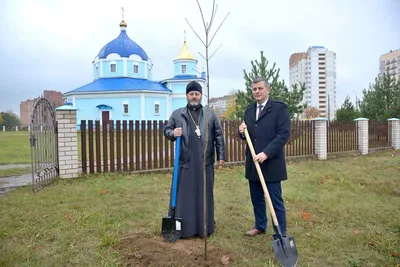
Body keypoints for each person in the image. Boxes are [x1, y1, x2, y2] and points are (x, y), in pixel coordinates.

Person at [163, 80, 225, 238]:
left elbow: (218, 135)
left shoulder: (210, 114)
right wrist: (172, 133)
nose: (194, 96)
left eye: (197, 93)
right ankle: (184, 228)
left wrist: (221, 156)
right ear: (186, 95)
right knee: (184, 195)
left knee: (204, 194)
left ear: (201, 95)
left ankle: (204, 226)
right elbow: (167, 129)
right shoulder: (177, 114)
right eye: (191, 94)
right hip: (185, 162)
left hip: (205, 162)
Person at [238, 77, 290, 239]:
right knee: (257, 198)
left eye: (260, 88)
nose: (257, 92)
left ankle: (280, 234)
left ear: (268, 90)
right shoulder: (249, 110)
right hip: (253, 162)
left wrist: (266, 153)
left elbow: (283, 135)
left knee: (275, 201)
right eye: (254, 89)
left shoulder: (279, 109)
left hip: (271, 162)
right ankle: (260, 225)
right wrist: (241, 131)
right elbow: (248, 136)